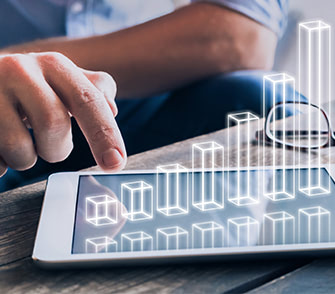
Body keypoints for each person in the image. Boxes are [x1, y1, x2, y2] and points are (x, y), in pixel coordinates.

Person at [0, 0, 290, 192]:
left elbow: (242, 36)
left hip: (151, 101)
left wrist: (47, 70)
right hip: (7, 113)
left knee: (260, 97)